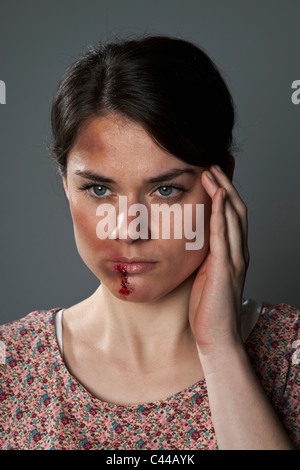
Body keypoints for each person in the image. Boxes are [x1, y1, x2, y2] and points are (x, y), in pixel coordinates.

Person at [0, 35, 299, 451]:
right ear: (66, 186)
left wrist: (220, 349)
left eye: (165, 191)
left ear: (221, 184)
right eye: (99, 190)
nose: (127, 229)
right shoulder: (9, 365)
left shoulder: (291, 356)